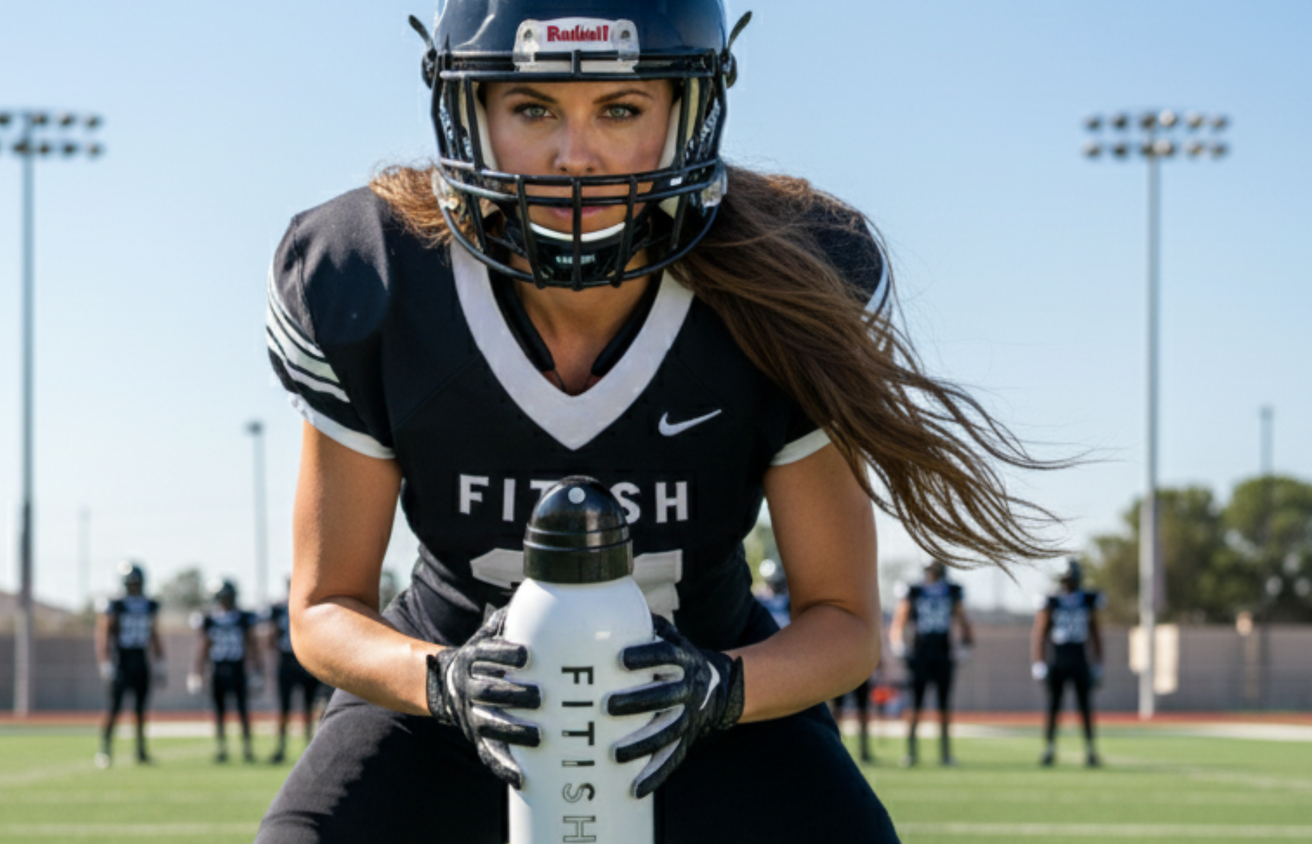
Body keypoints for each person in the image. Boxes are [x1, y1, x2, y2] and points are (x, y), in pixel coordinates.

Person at [257, 2, 1060, 840]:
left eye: (621, 108)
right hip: (452, 702)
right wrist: (445, 681)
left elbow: (846, 622)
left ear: (686, 112)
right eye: (532, 108)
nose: (575, 156)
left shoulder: (794, 282)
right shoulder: (374, 276)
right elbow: (323, 609)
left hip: (716, 703)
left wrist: (718, 691)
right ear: (471, 115)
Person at [890, 560, 974, 766]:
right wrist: (898, 642)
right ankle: (911, 752)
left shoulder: (952, 591)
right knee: (915, 704)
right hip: (920, 653)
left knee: (944, 706)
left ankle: (945, 754)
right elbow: (900, 618)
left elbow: (962, 618)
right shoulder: (914, 590)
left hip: (943, 653)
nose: (933, 574)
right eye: (930, 570)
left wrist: (966, 644)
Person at [1033, 559, 1104, 767]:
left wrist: (1098, 662)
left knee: (1085, 707)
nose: (1069, 583)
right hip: (1059, 655)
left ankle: (1090, 750)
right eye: (1066, 579)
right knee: (1054, 706)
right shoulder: (1052, 600)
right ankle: (1049, 749)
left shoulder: (1087, 599)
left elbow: (1095, 632)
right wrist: (1039, 661)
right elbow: (1041, 632)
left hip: (1079, 654)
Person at [93, 560, 165, 768]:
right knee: (114, 708)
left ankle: (141, 751)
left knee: (141, 710)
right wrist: (105, 661)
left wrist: (160, 662)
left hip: (141, 657)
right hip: (121, 659)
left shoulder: (149, 605)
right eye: (131, 583)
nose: (134, 587)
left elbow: (154, 634)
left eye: (137, 583)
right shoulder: (115, 605)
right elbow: (104, 633)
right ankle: (105, 750)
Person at [189, 579, 263, 763]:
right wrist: (196, 672)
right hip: (218, 668)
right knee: (219, 712)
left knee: (243, 711)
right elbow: (203, 647)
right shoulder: (209, 619)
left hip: (238, 668)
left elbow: (252, 644)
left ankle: (247, 749)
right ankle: (222, 749)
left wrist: (257, 671)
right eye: (222, 597)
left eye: (228, 597)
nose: (225, 601)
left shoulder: (243, 618)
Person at [265, 578, 323, 764]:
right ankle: (281, 747)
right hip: (288, 659)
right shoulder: (278, 608)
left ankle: (309, 747)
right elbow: (271, 636)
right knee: (284, 708)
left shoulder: (313, 603)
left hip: (307, 659)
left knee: (308, 707)